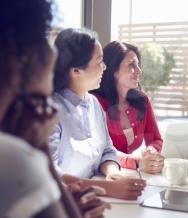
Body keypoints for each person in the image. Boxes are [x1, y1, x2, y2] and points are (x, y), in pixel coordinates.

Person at [0, 1, 108, 218]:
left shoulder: (93, 103)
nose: (53, 54)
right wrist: (39, 149)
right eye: (41, 37)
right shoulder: (11, 158)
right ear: (19, 52)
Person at [49, 28, 146, 200]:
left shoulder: (93, 103)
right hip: (62, 203)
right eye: (100, 61)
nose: (104, 67)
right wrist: (107, 188)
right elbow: (50, 173)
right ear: (76, 70)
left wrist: (113, 173)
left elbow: (107, 150)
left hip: (92, 199)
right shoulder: (51, 111)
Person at [92, 41, 164, 174]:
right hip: (103, 176)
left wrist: (151, 151)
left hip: (126, 174)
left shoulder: (142, 101)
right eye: (132, 65)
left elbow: (155, 139)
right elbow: (102, 151)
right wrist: (135, 163)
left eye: (138, 64)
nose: (139, 71)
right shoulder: (94, 103)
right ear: (114, 70)